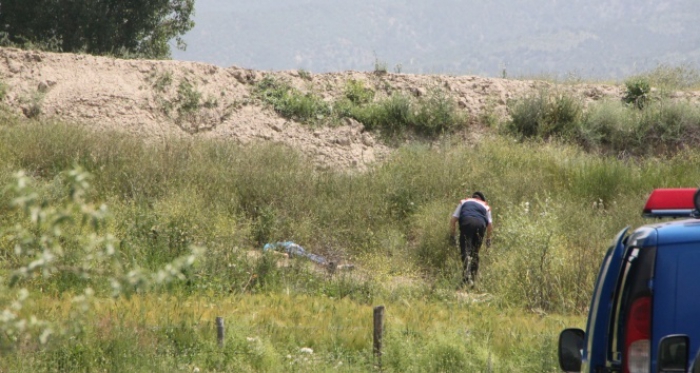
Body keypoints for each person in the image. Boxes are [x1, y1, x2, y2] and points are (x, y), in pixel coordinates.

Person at [449, 191, 493, 288]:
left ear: (473, 197)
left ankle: (466, 279)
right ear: (481, 199)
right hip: (480, 224)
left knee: (466, 251)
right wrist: (488, 239)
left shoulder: (464, 201)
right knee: (475, 252)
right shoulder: (486, 206)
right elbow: (490, 226)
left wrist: (452, 236)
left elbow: (453, 220)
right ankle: (473, 279)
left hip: (467, 222)